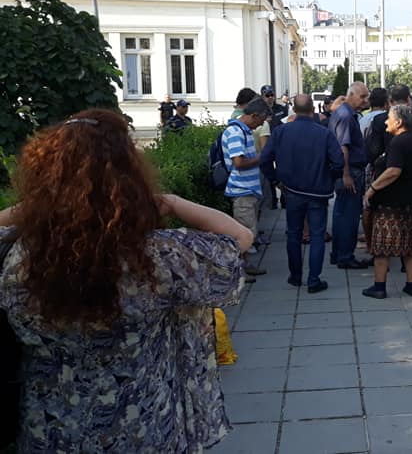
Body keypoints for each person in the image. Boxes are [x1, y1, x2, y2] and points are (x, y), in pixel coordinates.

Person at [0, 108, 253, 452]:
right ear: (130, 178)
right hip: (143, 429)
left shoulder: (20, 257)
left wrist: (39, 206)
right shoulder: (156, 257)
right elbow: (239, 238)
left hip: (50, 430)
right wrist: (173, 203)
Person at [260, 94, 344, 293]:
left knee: (294, 234)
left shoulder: (281, 132)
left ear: (294, 110)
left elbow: (265, 159)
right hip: (318, 192)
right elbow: (339, 162)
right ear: (313, 109)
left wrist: (276, 180)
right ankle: (314, 280)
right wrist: (328, 178)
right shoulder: (323, 133)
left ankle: (295, 276)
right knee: (317, 235)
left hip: (292, 190)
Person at [362, 105, 412, 299]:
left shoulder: (397, 143)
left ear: (399, 122)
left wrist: (372, 189)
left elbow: (393, 170)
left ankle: (379, 286)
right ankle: (411, 285)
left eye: (389, 118)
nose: (386, 121)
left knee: (382, 245)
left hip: (392, 203)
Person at [223, 96, 272, 281]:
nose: (260, 126)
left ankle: (245, 265)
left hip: (248, 190)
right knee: (243, 233)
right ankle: (240, 271)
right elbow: (239, 162)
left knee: (247, 231)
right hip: (241, 189)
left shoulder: (243, 131)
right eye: (260, 121)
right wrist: (262, 157)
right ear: (253, 115)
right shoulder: (236, 132)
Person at [329, 82, 371, 269]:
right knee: (349, 216)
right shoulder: (346, 115)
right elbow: (343, 147)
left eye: (366, 96)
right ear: (351, 95)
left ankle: (338, 253)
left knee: (341, 214)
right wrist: (346, 174)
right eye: (362, 96)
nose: (365, 100)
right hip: (350, 172)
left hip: (346, 171)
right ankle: (345, 256)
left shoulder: (343, 113)